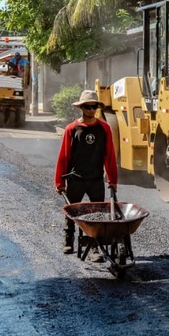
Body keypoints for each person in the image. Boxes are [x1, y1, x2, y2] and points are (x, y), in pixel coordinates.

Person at [54, 90, 118, 257]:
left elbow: (109, 155)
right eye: (88, 107)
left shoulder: (104, 129)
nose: (91, 110)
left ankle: (95, 247)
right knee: (72, 212)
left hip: (96, 179)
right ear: (81, 108)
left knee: (97, 215)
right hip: (76, 178)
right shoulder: (72, 129)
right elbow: (64, 156)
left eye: (94, 106)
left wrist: (112, 179)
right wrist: (59, 182)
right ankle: (68, 240)